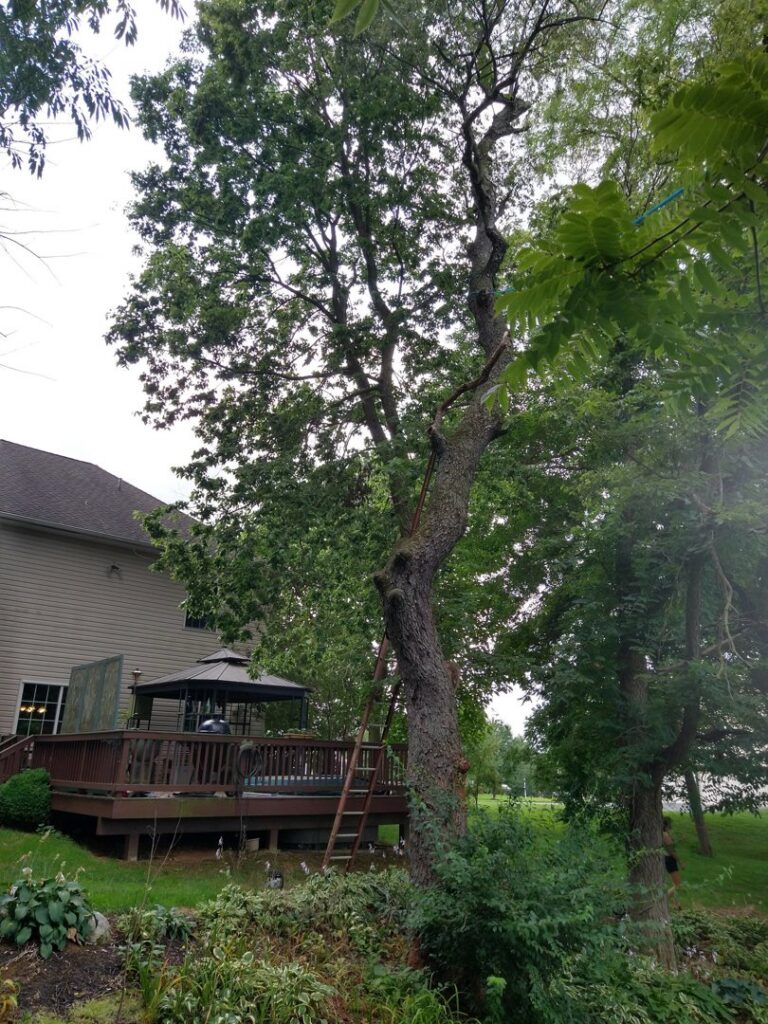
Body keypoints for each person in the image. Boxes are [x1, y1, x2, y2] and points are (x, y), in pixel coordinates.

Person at [662, 816, 683, 908]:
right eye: (670, 823)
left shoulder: (663, 834)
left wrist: (680, 840)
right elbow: (672, 851)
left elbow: (671, 845)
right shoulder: (665, 835)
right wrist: (680, 862)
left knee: (675, 884)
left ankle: (678, 905)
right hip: (670, 859)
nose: (671, 825)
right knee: (678, 885)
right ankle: (663, 899)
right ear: (666, 824)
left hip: (665, 859)